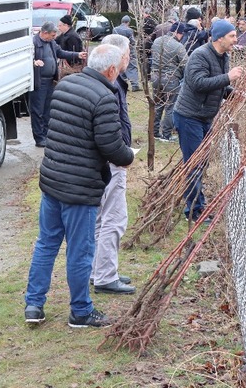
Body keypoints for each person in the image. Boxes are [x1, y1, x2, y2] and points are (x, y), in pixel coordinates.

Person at [23, 44, 136, 329]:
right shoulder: (105, 97)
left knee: (46, 244)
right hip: (80, 189)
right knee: (80, 251)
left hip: (52, 180)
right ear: (111, 70)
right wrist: (128, 156)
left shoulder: (66, 85)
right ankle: (81, 311)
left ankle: (34, 304)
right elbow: (111, 146)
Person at [172, 18, 243, 222]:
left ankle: (197, 205)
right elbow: (198, 83)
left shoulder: (223, 57)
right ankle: (194, 211)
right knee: (194, 164)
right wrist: (228, 78)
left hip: (205, 117)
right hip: (189, 117)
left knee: (201, 163)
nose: (235, 39)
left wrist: (232, 92)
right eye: (232, 36)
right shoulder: (200, 55)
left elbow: (216, 85)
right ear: (219, 37)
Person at [91, 35, 137, 296]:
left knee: (100, 218)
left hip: (107, 159)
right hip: (113, 160)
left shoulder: (115, 82)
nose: (129, 58)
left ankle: (98, 269)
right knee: (114, 219)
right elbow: (113, 127)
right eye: (127, 53)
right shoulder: (111, 87)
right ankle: (106, 276)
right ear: (117, 58)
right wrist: (123, 155)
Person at [30, 21, 87, 147]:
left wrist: (77, 54)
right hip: (39, 82)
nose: (54, 37)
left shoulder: (51, 43)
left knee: (47, 110)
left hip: (50, 81)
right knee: (37, 111)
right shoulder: (34, 43)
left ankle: (46, 135)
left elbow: (61, 53)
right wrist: (33, 63)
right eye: (52, 35)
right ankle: (39, 137)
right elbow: (26, 59)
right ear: (44, 33)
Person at [150, 22, 188, 141]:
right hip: (171, 79)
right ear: (178, 33)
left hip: (155, 76)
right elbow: (185, 64)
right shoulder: (178, 47)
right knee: (171, 106)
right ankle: (166, 134)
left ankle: (155, 132)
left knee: (157, 104)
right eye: (181, 34)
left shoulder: (157, 41)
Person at [111, 14, 141, 86]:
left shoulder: (115, 29)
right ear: (128, 22)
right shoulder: (129, 30)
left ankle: (122, 82)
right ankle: (135, 84)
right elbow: (132, 42)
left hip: (118, 51)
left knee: (120, 66)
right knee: (132, 66)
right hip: (128, 50)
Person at [55, 14, 85, 80]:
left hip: (71, 67)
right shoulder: (64, 34)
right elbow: (55, 41)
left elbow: (75, 52)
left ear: (66, 25)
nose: (58, 28)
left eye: (60, 26)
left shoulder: (72, 37)